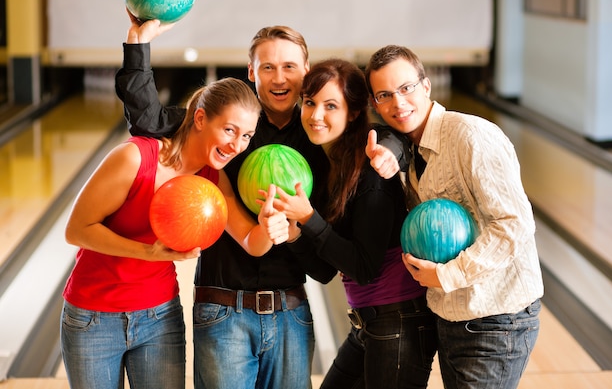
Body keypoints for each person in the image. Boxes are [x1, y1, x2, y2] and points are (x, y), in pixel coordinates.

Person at [115, 20, 338, 389]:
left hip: (291, 312)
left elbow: (325, 267)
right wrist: (137, 46)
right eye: (268, 67)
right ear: (252, 71)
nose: (279, 77)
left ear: (307, 71)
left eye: (289, 67)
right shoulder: (226, 123)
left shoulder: (321, 139)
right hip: (222, 310)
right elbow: (148, 122)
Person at [61, 60, 291, 389]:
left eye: (246, 136)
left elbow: (251, 241)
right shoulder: (135, 158)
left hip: (159, 317)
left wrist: (269, 229)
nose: (236, 145)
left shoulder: (213, 178)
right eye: (229, 130)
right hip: (93, 316)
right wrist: (146, 252)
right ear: (200, 117)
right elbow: (76, 230)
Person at [364, 45, 544, 389]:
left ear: (426, 86)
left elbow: (514, 223)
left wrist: (449, 275)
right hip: (449, 317)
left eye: (406, 88)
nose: (398, 103)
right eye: (385, 95)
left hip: (496, 318)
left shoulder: (471, 136)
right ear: (375, 103)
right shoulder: (406, 149)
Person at [270, 58, 438, 388]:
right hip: (369, 322)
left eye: (331, 105)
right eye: (310, 103)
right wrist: (294, 235)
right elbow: (325, 270)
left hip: (400, 319)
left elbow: (365, 268)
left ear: (355, 111)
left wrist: (308, 218)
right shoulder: (325, 166)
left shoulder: (370, 171)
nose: (316, 115)